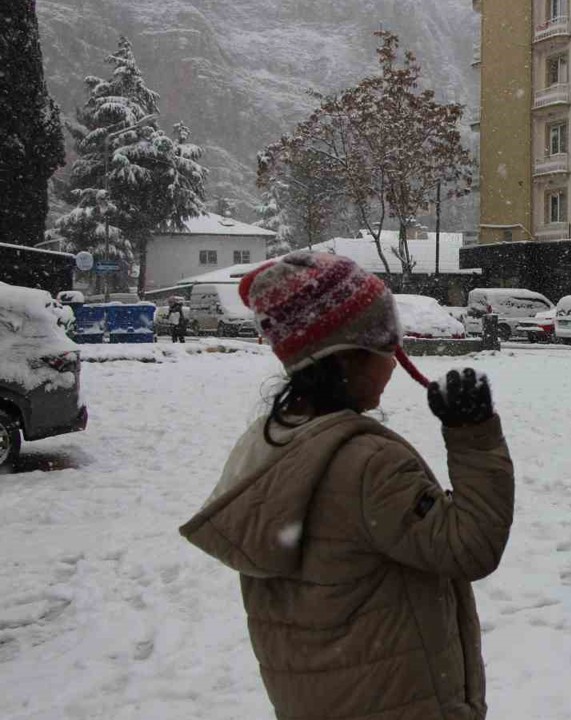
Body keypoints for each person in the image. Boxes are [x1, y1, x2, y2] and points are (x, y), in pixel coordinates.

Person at [179, 251, 514, 720]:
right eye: (385, 347)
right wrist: (473, 436)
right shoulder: (368, 464)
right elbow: (471, 546)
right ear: (347, 358)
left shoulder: (270, 447)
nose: (395, 364)